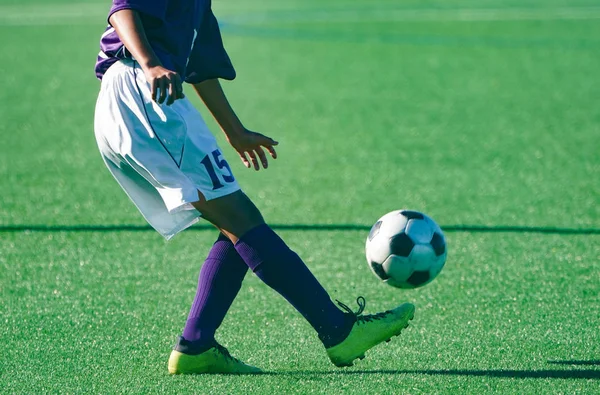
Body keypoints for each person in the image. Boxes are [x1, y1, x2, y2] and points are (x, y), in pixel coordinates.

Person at [94, 0, 415, 374]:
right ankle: (337, 331)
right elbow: (122, 9)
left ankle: (196, 346)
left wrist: (235, 131)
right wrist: (150, 64)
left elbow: (199, 68)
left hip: (150, 95)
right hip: (143, 92)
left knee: (239, 221)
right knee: (241, 220)